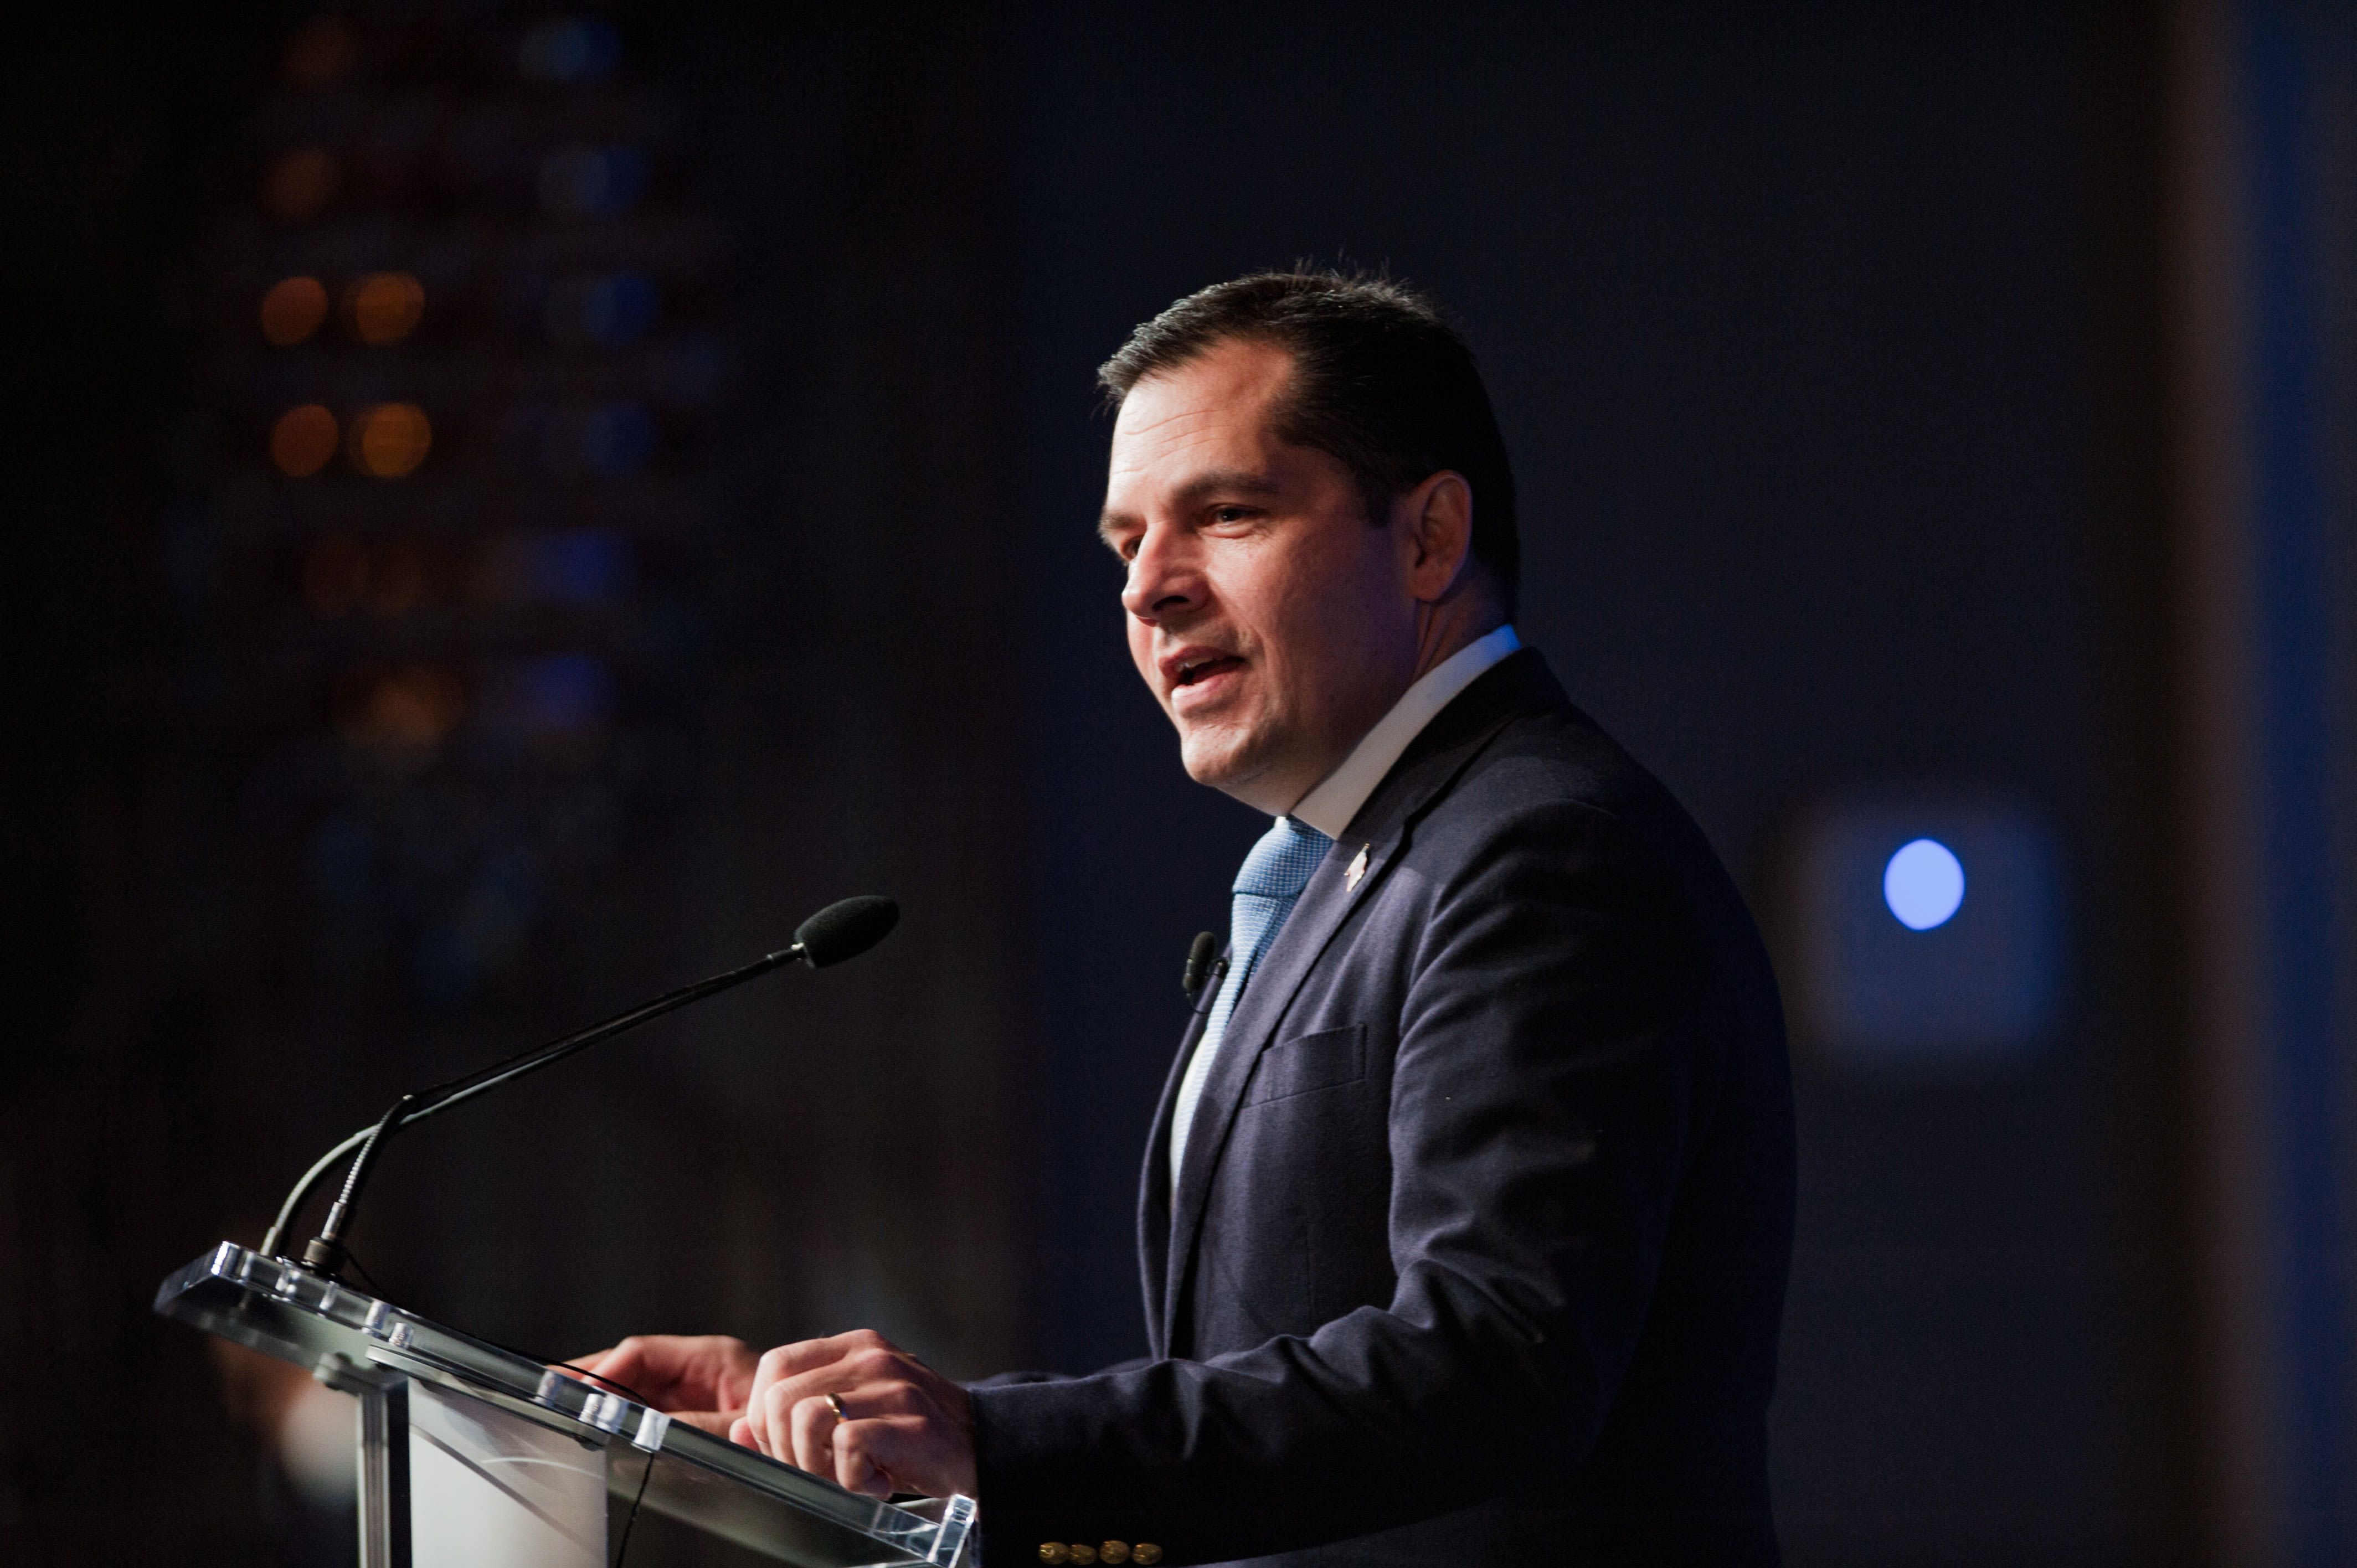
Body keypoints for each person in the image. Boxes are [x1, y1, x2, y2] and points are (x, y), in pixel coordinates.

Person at [585, 272, 1795, 1567]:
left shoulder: (1540, 853)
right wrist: (822, 1442)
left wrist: (994, 1441)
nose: (1147, 589)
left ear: (1431, 538)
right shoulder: (1362, 862)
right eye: (1125, 544)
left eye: (1226, 515)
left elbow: (1497, 1361)